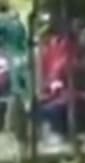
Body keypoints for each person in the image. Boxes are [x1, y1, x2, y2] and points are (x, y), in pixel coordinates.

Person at [0, 1, 31, 144]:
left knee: (16, 94)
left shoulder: (4, 22)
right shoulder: (16, 22)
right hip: (20, 59)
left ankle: (16, 131)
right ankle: (20, 133)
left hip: (11, 60)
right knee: (19, 94)